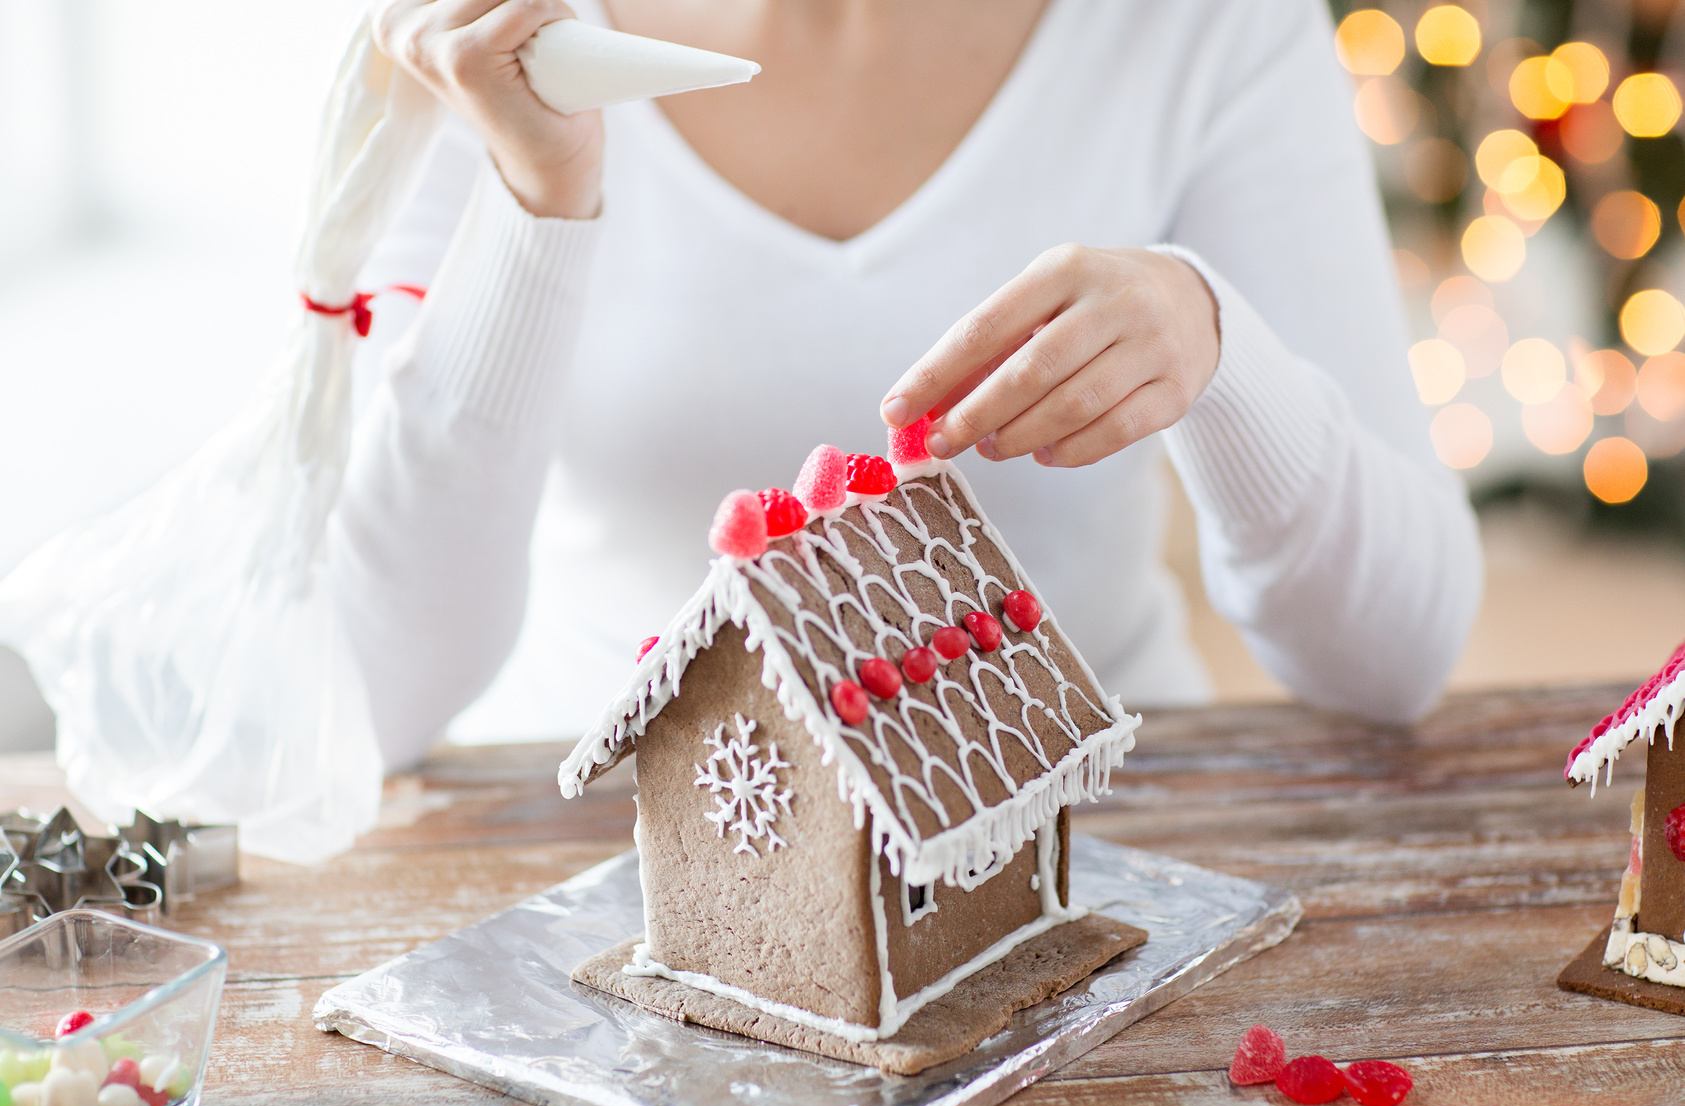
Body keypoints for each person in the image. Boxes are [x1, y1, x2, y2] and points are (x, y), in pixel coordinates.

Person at [334, 0, 1483, 769]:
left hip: (1097, 831)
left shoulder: (1203, 27)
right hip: (598, 831)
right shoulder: (485, 34)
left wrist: (1216, 344)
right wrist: (534, 205)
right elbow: (371, 690)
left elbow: (1395, 658)